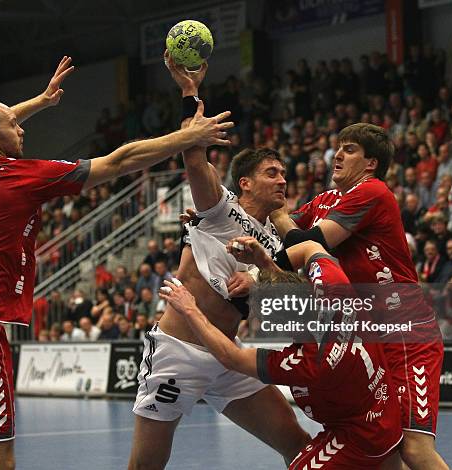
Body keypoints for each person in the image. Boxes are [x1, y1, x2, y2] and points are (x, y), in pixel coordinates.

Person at [0, 56, 233, 470]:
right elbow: (117, 162)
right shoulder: (23, 178)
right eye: (15, 125)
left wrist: (43, 101)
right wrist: (186, 136)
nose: (22, 126)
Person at [128, 54, 310, 470]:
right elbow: (193, 157)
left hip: (229, 355)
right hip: (179, 350)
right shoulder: (220, 207)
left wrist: (262, 280)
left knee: (299, 445)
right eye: (272, 173)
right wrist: (190, 92)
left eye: (284, 174)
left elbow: (291, 297)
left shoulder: (279, 240)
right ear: (244, 182)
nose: (282, 180)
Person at [271, 123, 449, 469]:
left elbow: (306, 243)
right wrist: (215, 221)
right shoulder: (325, 200)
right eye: (338, 147)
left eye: (349, 149)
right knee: (384, 445)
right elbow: (273, 232)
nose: (337, 154)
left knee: (414, 448)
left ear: (371, 163)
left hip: (406, 333)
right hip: (369, 337)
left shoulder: (374, 191)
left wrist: (277, 213)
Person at [159, 237, 403, 469]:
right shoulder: (334, 289)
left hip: (361, 435)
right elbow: (310, 247)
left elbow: (229, 356)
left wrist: (190, 310)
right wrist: (263, 263)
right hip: (384, 408)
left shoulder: (307, 362)